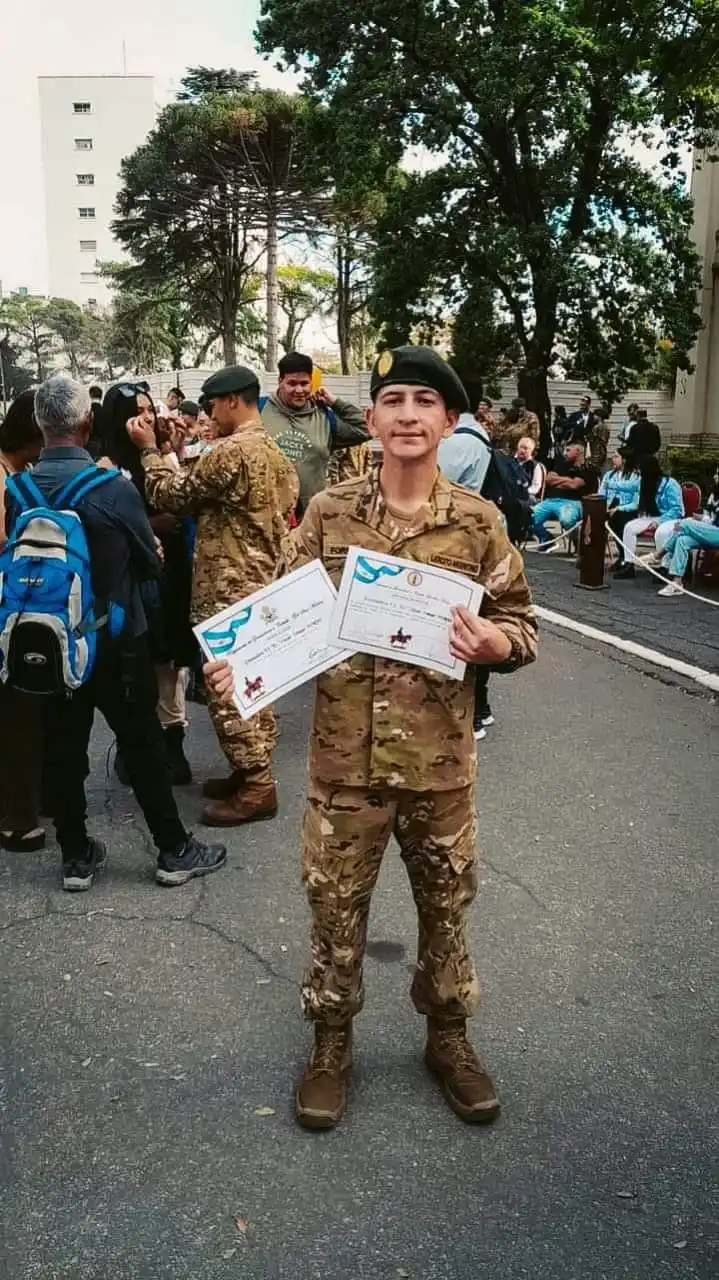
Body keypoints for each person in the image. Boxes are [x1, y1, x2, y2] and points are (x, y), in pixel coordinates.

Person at [206, 346, 538, 1130]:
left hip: (439, 767)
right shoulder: (330, 513)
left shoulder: (478, 522)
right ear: (374, 418)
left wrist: (497, 643)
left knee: (446, 910)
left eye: (424, 402)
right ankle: (330, 1044)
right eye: (393, 400)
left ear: (448, 422)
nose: (408, 415)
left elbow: (520, 622)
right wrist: (240, 667)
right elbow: (281, 611)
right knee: (333, 910)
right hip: (344, 767)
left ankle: (448, 1037)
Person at [5, 374, 226, 891]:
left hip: (50, 642)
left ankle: (76, 856)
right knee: (142, 744)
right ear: (87, 424)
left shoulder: (17, 491)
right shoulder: (112, 488)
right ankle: (173, 849)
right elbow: (150, 562)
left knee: (63, 749)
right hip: (115, 641)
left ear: (39, 424)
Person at [128, 364, 300, 827]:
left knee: (228, 691)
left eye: (211, 405)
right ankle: (248, 772)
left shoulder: (232, 452)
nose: (209, 414)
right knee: (255, 685)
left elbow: (170, 496)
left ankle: (258, 786)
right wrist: (175, 451)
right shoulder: (273, 452)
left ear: (231, 401)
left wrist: (149, 451)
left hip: (228, 589)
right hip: (260, 584)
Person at [101, 384, 195, 784]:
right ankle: (136, 749)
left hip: (170, 579)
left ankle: (173, 744)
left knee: (170, 664)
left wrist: (173, 451)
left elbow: (181, 498)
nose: (145, 418)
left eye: (148, 410)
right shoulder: (105, 466)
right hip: (132, 583)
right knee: (137, 666)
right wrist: (151, 525)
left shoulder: (158, 456)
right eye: (135, 411)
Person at [0, 391, 46, 853]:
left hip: (12, 610)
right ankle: (15, 820)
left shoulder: (16, 474)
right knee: (15, 715)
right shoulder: (3, 477)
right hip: (4, 612)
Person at [437, 400, 494, 741]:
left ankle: (472, 711)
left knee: (457, 624)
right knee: (473, 618)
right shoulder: (479, 435)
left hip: (456, 539)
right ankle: (481, 708)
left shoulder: (458, 441)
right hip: (471, 538)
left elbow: (435, 484)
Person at [259, 351, 368, 513]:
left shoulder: (325, 417)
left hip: (310, 515)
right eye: (292, 383)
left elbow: (366, 428)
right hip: (267, 513)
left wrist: (335, 402)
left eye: (304, 383)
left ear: (311, 382)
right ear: (280, 381)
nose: (299, 390)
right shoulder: (259, 409)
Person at [614, 458, 684, 579]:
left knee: (661, 532)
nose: (639, 475)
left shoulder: (670, 484)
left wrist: (660, 521)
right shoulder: (646, 483)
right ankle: (629, 565)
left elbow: (677, 509)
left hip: (672, 518)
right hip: (653, 517)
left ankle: (665, 567)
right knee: (629, 527)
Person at [531, 443, 600, 548]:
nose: (564, 453)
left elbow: (574, 485)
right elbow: (548, 479)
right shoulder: (562, 464)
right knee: (528, 517)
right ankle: (547, 539)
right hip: (550, 500)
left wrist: (558, 481)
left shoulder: (588, 468)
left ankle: (579, 542)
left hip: (572, 502)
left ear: (578, 452)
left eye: (568, 450)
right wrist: (568, 480)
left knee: (566, 520)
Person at [654, 508, 719, 597]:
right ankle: (677, 583)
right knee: (682, 540)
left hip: (715, 533)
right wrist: (702, 519)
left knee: (684, 524)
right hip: (710, 532)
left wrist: (703, 520)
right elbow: (712, 519)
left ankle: (657, 555)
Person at [514, 437, 544, 501]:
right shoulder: (510, 462)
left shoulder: (535, 466)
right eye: (521, 447)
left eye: (525, 448)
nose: (522, 450)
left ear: (531, 451)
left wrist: (522, 492)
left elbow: (535, 487)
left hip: (526, 495)